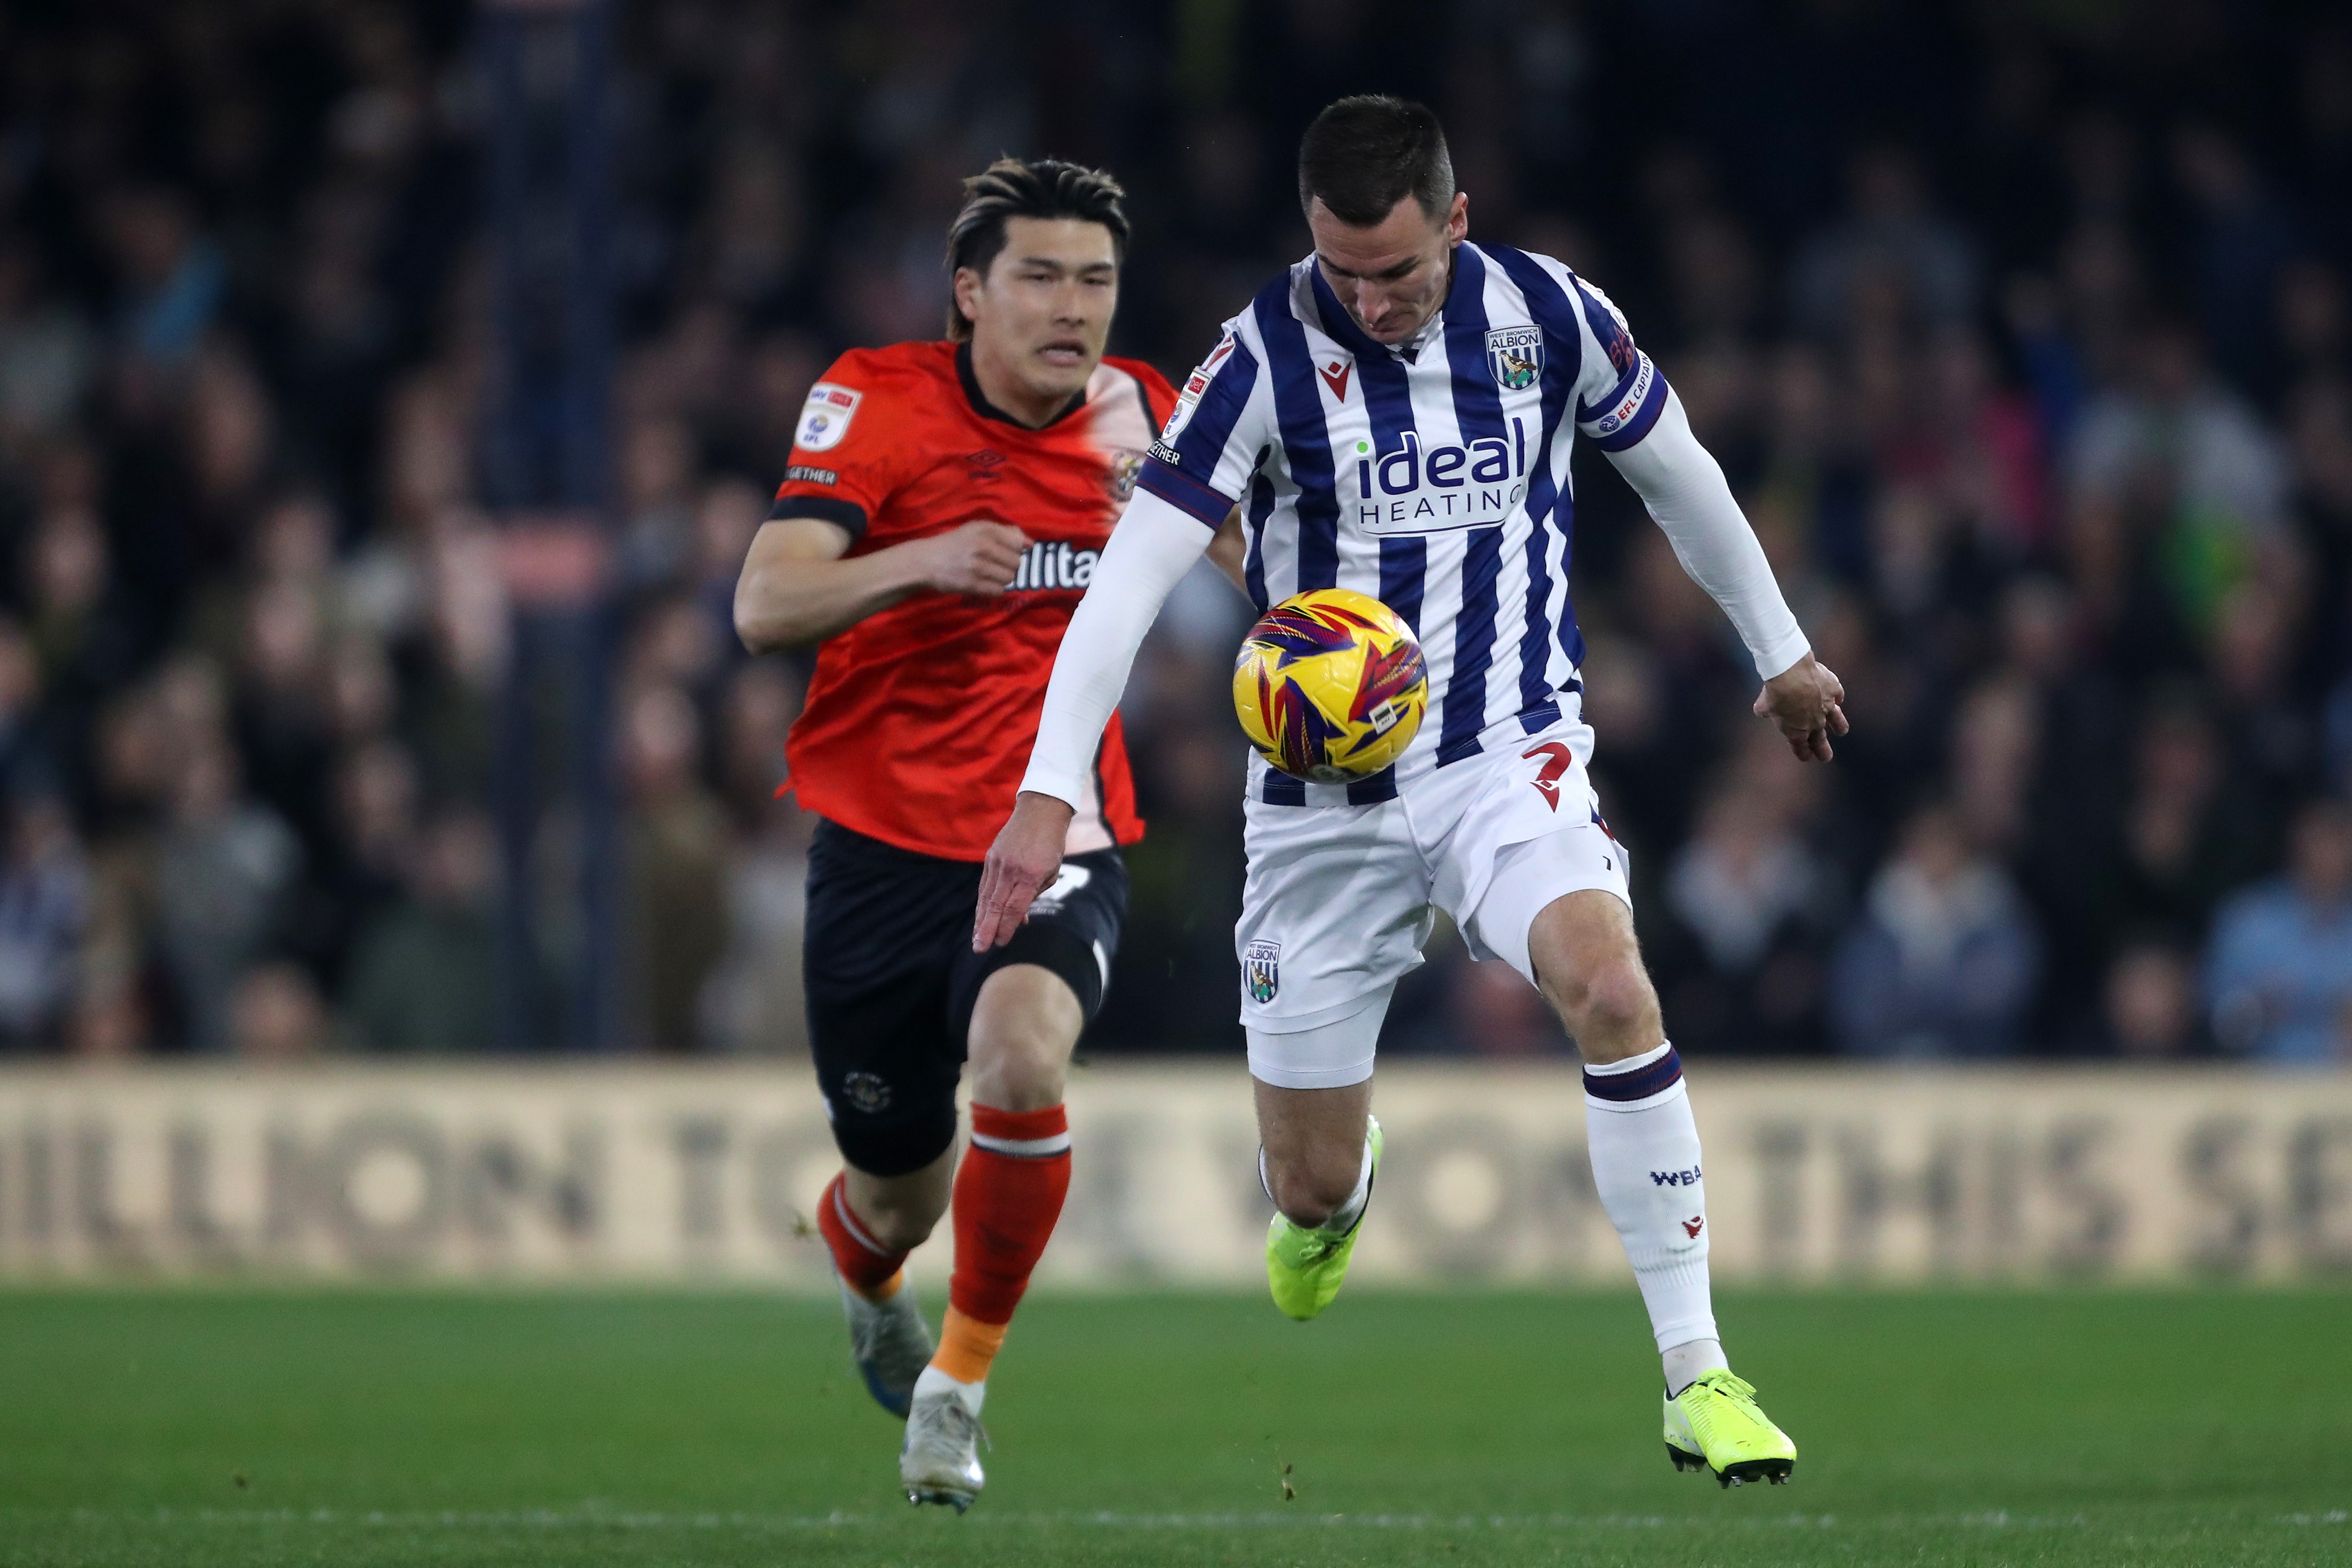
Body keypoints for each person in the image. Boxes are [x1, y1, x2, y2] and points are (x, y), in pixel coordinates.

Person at [977, 98, 1844, 1489]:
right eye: (1343, 272)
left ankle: (1699, 1373)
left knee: (1612, 987)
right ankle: (1336, 1193)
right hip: (1319, 808)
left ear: (1456, 220)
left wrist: (1782, 650)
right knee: (1307, 1181)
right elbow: (1129, 580)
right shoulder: (1262, 353)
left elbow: (1679, 475)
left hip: (1505, 750)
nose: (1370, 302)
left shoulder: (1550, 318)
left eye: (1398, 271)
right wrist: (1045, 789)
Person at [733, 157, 1242, 1510]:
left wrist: (1233, 539)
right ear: (970, 293)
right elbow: (764, 604)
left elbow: (1278, 566)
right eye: (1040, 275)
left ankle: (956, 1389)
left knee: (1020, 1064)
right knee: (896, 1194)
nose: (1073, 306)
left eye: (1097, 279)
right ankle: (865, 1264)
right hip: (880, 851)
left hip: (1061, 824)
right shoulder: (877, 398)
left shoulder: (1151, 411)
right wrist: (921, 556)